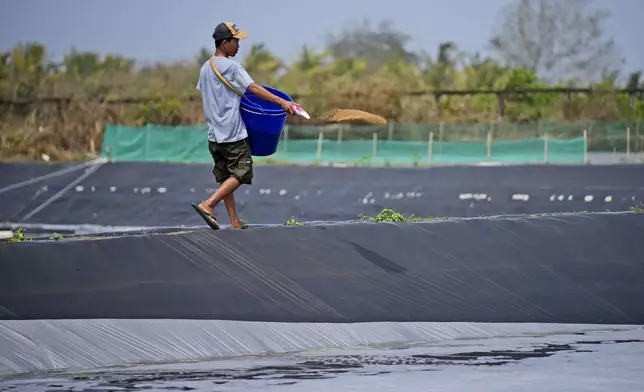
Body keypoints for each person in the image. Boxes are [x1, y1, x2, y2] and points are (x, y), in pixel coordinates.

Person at [191, 22, 298, 230]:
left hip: (214, 135)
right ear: (224, 43)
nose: (238, 46)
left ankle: (234, 222)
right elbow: (254, 89)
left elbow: (209, 93)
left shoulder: (205, 68)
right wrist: (283, 102)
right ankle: (208, 205)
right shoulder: (232, 67)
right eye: (235, 41)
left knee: (226, 178)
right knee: (242, 172)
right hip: (232, 133)